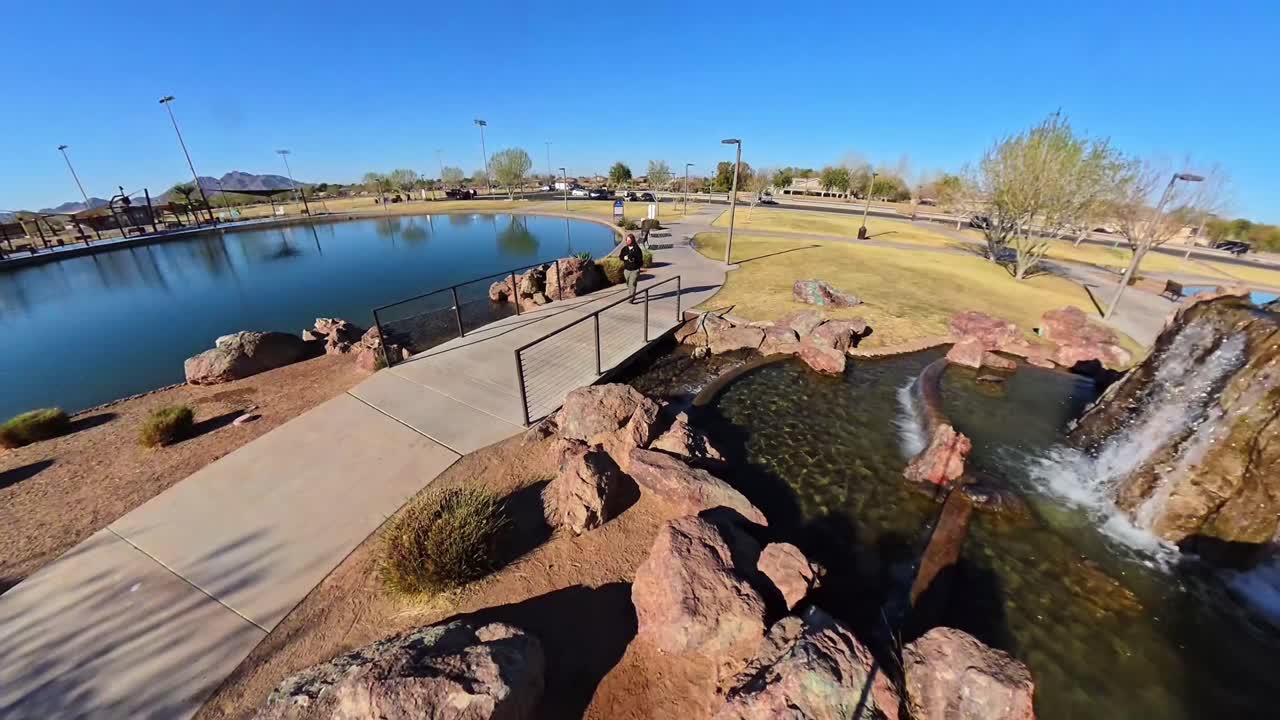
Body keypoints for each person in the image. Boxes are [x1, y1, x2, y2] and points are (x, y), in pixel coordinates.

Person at [620, 233, 644, 300]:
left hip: (635, 270)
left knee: (632, 283)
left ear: (633, 240)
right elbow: (620, 256)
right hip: (626, 270)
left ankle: (631, 298)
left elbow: (640, 261)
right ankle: (632, 293)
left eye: (629, 240)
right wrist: (624, 258)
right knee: (628, 283)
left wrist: (634, 260)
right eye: (627, 240)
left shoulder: (637, 250)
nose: (628, 242)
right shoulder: (624, 249)